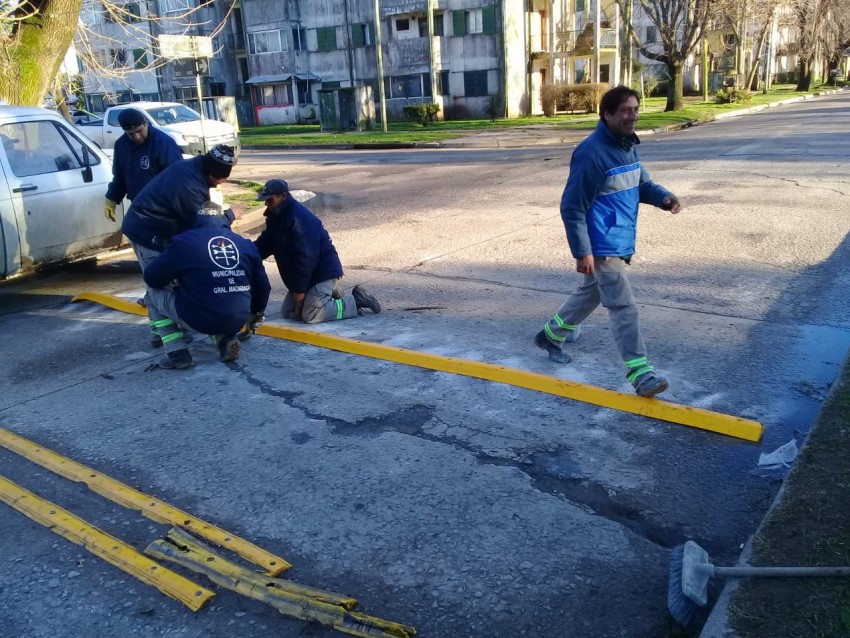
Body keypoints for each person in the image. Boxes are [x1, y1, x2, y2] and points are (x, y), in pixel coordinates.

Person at [534, 85, 682, 398]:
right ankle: (640, 372)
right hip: (602, 243)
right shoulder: (592, 153)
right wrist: (582, 251)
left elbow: (642, 185)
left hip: (619, 237)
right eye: (626, 110)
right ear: (608, 114)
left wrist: (664, 198)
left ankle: (551, 334)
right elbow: (572, 206)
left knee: (591, 293)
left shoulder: (628, 146)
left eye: (636, 109)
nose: (633, 116)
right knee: (623, 305)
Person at [122, 143, 238, 347]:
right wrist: (228, 215)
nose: (224, 181)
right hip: (147, 233)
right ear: (212, 173)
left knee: (174, 281)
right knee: (157, 286)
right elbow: (204, 225)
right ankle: (173, 347)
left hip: (165, 229)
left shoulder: (195, 169)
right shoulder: (188, 187)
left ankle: (178, 332)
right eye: (222, 178)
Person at [142, 202, 270, 370]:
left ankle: (177, 353)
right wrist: (256, 313)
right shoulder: (244, 244)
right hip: (238, 319)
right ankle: (226, 340)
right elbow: (264, 287)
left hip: (199, 319)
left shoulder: (184, 242)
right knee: (215, 301)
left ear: (197, 219)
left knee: (152, 294)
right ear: (223, 219)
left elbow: (152, 278)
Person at [253, 178, 381, 323]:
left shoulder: (299, 218)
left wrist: (300, 291)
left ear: (283, 196)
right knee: (289, 312)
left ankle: (355, 301)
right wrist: (242, 252)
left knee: (311, 314)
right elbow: (265, 244)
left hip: (321, 272)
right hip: (306, 275)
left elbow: (306, 258)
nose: (266, 203)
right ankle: (330, 295)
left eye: (270, 200)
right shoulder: (276, 217)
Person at [103, 108, 182, 222]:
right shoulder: (121, 145)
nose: (137, 137)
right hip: (138, 205)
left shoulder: (163, 143)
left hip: (163, 209)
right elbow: (120, 176)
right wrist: (111, 198)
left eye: (139, 131)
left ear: (145, 123)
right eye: (131, 134)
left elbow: (177, 178)